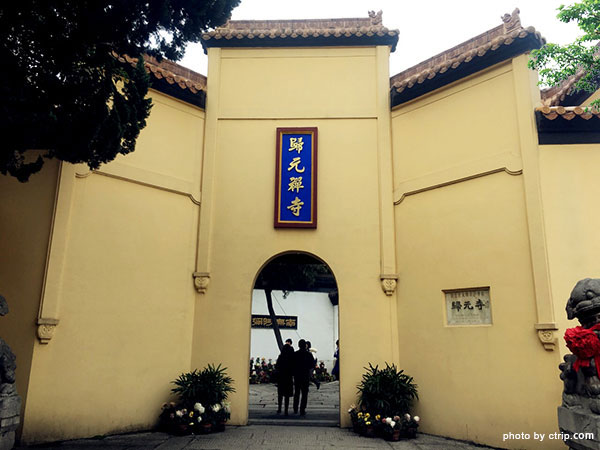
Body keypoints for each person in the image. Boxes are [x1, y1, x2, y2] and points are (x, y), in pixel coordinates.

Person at [293, 339, 315, 416]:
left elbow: (292, 365)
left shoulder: (295, 354)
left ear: (299, 345)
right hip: (305, 375)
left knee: (297, 392)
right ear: (305, 345)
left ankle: (295, 408)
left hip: (297, 375)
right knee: (304, 393)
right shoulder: (309, 354)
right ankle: (302, 409)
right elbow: (312, 365)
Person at [275, 342, 294, 415]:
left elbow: (277, 366)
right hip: (288, 377)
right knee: (287, 395)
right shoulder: (291, 358)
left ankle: (279, 408)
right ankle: (286, 410)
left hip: (281, 377)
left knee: (280, 394)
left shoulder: (280, 357)